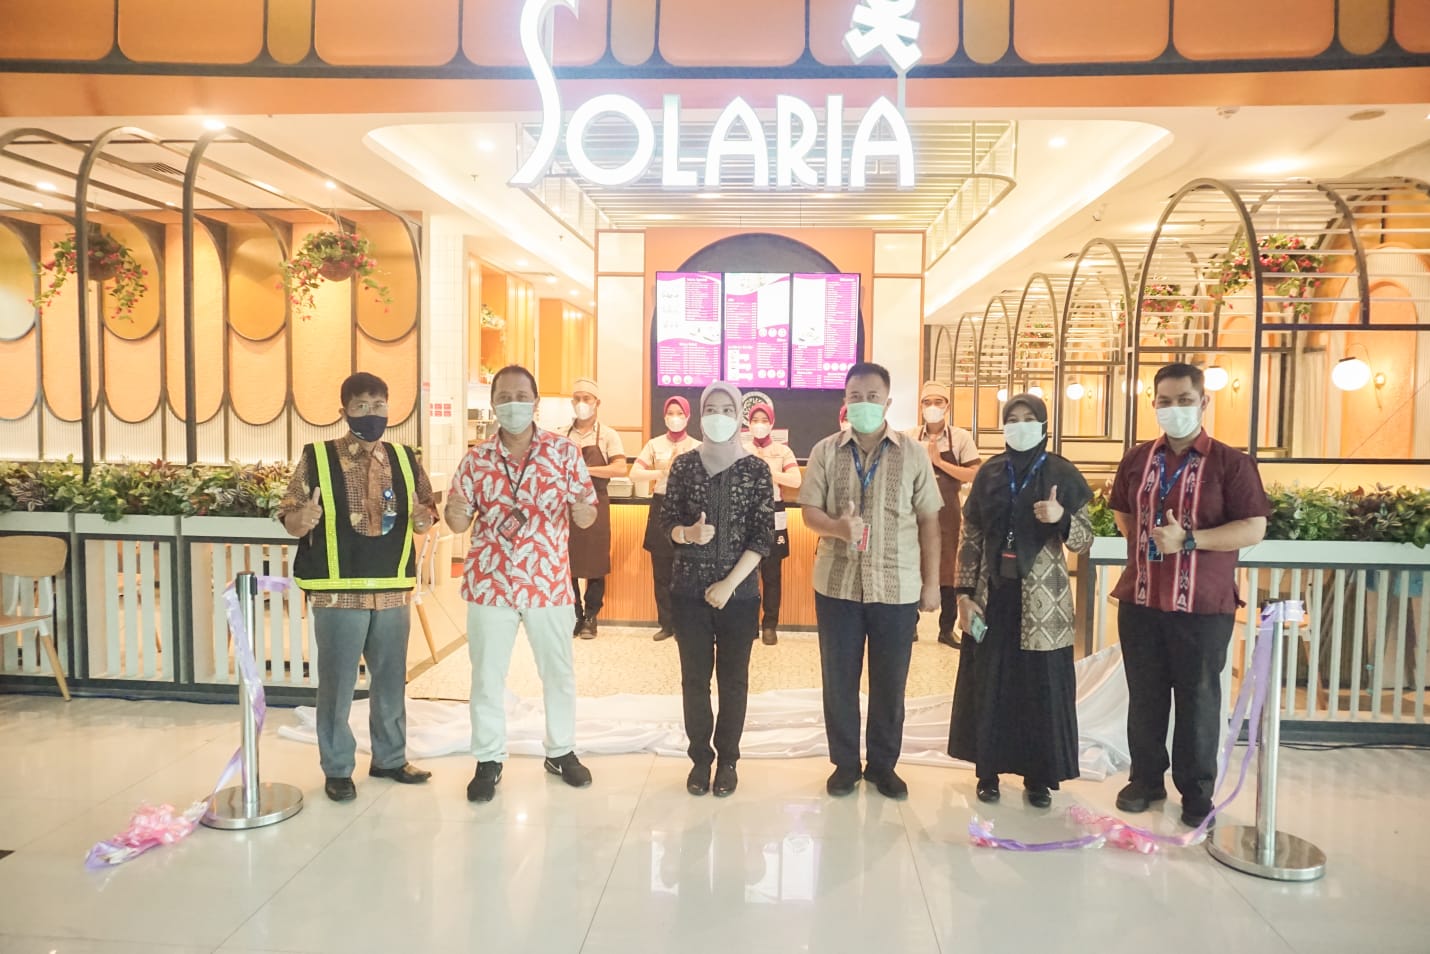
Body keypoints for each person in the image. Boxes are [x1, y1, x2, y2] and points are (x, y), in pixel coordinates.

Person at [1109, 362, 1269, 828]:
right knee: (1145, 696)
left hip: (1201, 604)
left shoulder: (1231, 463)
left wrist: (1190, 541)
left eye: (1184, 400)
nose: (1174, 409)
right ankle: (1145, 780)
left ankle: (1197, 792)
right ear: (1153, 404)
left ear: (1204, 402)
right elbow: (1122, 511)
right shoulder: (1138, 458)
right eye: (1165, 401)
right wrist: (1145, 543)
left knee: (1198, 701)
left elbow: (1253, 527)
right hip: (1142, 599)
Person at [445, 365, 600, 803]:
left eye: (520, 396)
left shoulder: (564, 453)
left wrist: (583, 512)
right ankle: (488, 758)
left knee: (558, 673)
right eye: (504, 397)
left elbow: (587, 510)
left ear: (536, 402)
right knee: (487, 677)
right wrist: (453, 513)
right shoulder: (476, 459)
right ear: (493, 403)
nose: (512, 404)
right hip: (490, 583)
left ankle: (561, 751)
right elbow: (457, 518)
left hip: (548, 582)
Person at [281, 371, 435, 803]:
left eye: (379, 405)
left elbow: (425, 512)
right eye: (362, 406)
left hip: (392, 589)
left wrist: (424, 519)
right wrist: (300, 521)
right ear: (344, 411)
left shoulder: (405, 459)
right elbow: (291, 513)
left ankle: (390, 758)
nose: (372, 413)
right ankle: (337, 768)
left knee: (391, 679)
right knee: (338, 682)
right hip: (338, 592)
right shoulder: (317, 458)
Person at [800, 362, 942, 800]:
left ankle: (883, 766)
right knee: (839, 681)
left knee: (890, 683)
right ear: (845, 401)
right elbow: (809, 512)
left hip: (896, 586)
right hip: (837, 585)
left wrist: (932, 584)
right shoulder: (825, 451)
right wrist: (837, 529)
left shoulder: (913, 453)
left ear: (888, 402)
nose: (863, 404)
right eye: (855, 397)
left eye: (872, 397)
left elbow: (930, 520)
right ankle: (845, 765)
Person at [947, 393, 1093, 808]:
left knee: (1038, 688)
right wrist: (963, 595)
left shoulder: (1062, 472)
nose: (1020, 425)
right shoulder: (990, 473)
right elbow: (970, 537)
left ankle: (1038, 777)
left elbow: (1084, 540)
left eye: (1029, 418)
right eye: (1013, 418)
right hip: (993, 596)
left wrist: (1060, 518)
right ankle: (988, 772)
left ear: (1044, 425)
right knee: (991, 684)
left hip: (1044, 605)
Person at [660, 382, 775, 797]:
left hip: (738, 597)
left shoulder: (757, 469)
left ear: (739, 415)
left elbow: (763, 538)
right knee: (694, 680)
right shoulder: (684, 465)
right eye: (712, 408)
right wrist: (686, 534)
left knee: (733, 681)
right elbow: (665, 522)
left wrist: (729, 584)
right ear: (701, 413)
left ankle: (727, 761)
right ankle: (699, 760)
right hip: (688, 593)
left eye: (728, 409)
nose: (719, 416)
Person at [906, 381, 981, 647]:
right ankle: (909, 626)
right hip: (914, 512)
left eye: (938, 402)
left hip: (947, 512)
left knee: (949, 570)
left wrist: (939, 462)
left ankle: (946, 629)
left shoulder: (960, 437)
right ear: (921, 406)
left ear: (947, 406)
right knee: (912, 566)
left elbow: (974, 473)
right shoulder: (909, 436)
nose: (933, 407)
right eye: (927, 402)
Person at [632, 397, 702, 641]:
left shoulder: (697, 446)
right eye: (670, 413)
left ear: (688, 416)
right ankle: (666, 623)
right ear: (664, 417)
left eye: (679, 413)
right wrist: (662, 471)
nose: (675, 417)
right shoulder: (654, 444)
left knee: (688, 570)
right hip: (661, 506)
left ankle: (688, 624)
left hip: (688, 509)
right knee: (662, 571)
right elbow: (635, 473)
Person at [567, 377, 627, 639]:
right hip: (567, 507)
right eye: (577, 398)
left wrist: (586, 470)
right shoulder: (562, 434)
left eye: (586, 398)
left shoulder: (608, 435)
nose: (582, 403)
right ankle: (574, 614)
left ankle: (591, 617)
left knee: (596, 562)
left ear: (597, 403)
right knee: (567, 562)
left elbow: (620, 468)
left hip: (596, 503)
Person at [744, 401, 801, 645]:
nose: (760, 425)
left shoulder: (783, 451)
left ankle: (769, 625)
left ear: (772, 423)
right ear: (748, 424)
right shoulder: (741, 449)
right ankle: (748, 626)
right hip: (747, 512)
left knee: (771, 574)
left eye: (764, 420)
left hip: (774, 511)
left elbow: (795, 480)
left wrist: (767, 471)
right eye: (755, 420)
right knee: (746, 573)